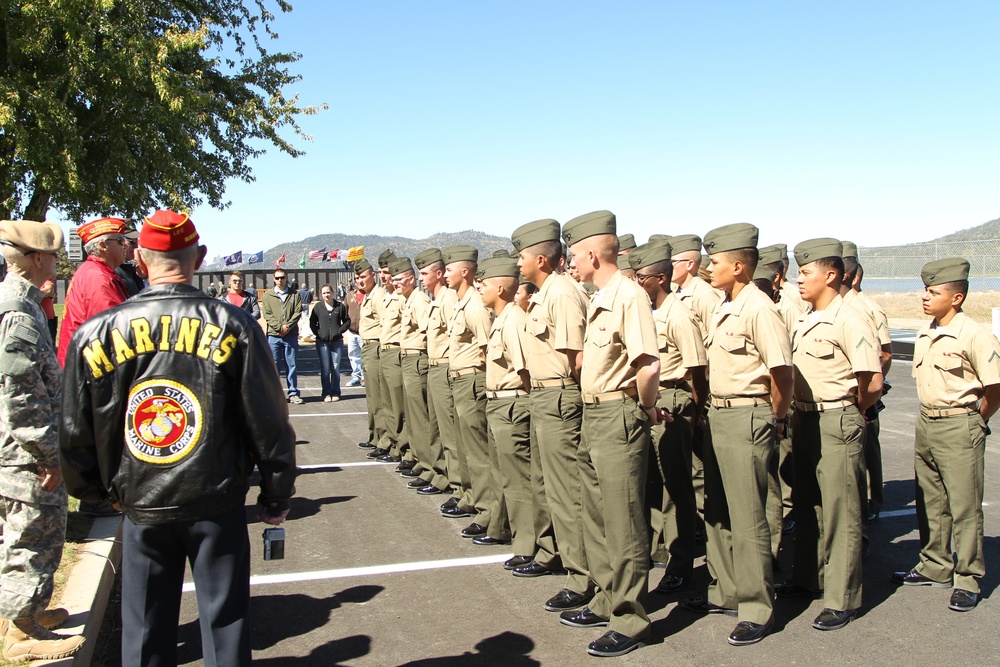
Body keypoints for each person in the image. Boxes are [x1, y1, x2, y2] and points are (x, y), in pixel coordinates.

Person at [59, 209, 296, 667]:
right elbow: (269, 422)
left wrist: (96, 492)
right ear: (200, 258)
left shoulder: (94, 334)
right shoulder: (235, 325)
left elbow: (74, 431)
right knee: (225, 627)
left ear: (141, 261)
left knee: (144, 632)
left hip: (141, 501)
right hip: (216, 499)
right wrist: (275, 492)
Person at [681, 223, 792, 647]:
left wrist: (775, 418)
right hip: (721, 415)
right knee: (719, 511)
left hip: (748, 415)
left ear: (740, 266)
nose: (710, 269)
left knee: (748, 518)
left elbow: (782, 371)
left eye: (716, 262)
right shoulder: (726, 306)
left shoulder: (758, 308)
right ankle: (725, 591)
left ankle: (756, 606)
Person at [560, 211, 662, 658]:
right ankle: (606, 599)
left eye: (574, 254)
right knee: (597, 517)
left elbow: (648, 364)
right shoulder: (601, 296)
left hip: (619, 414)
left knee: (623, 522)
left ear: (594, 253)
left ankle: (631, 618)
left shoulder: (628, 296)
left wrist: (642, 407)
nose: (570, 262)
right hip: (594, 415)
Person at [776, 239, 882, 632]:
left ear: (831, 275)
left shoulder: (850, 318)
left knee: (841, 512)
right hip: (804, 419)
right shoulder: (806, 316)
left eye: (805, 272)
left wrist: (853, 411)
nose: (798, 279)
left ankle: (842, 597)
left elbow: (871, 380)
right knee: (807, 505)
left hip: (836, 418)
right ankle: (807, 578)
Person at [891, 258, 1000, 613]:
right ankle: (935, 565)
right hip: (927, 422)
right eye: (925, 290)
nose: (925, 296)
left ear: (956, 298)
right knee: (930, 500)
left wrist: (974, 421)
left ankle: (968, 577)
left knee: (964, 505)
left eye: (933, 291)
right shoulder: (928, 330)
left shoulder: (975, 335)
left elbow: (994, 388)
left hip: (959, 423)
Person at [0, 220, 84, 663]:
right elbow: (20, 394)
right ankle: (18, 635)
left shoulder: (26, 304)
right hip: (25, 458)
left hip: (21, 452)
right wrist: (46, 455)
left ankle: (25, 613)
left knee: (24, 535)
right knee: (32, 535)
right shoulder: (17, 311)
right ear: (35, 259)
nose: (55, 261)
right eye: (51, 256)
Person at [510, 219, 587, 607]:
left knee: (567, 492)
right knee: (546, 486)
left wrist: (568, 396)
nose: (518, 263)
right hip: (542, 397)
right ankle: (556, 554)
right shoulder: (544, 293)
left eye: (522, 256)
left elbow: (577, 357)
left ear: (541, 258)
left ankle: (581, 577)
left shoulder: (562, 293)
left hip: (559, 397)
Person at [629, 241, 708, 596]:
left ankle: (681, 564)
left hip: (675, 397)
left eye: (640, 276)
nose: (636, 282)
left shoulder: (678, 314)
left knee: (677, 488)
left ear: (660, 278)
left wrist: (698, 411)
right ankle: (656, 551)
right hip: (650, 397)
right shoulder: (646, 312)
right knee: (651, 484)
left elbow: (697, 369)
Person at [442, 246, 501, 542]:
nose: (445, 274)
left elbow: (488, 349)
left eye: (450, 269)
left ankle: (489, 513)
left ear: (465, 272)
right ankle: (476, 501)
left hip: (473, 381)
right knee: (466, 450)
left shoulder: (476, 306)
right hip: (460, 380)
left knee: (479, 454)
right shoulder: (462, 302)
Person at [478, 256, 530, 550]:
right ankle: (503, 529)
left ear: (499, 288)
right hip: (498, 403)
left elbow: (525, 372)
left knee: (518, 481)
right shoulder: (503, 319)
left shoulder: (514, 322)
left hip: (512, 404)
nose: (479, 289)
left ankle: (527, 545)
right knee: (503, 477)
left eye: (483, 285)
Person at [56, 217, 131, 366]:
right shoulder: (97, 277)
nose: (126, 245)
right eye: (121, 240)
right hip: (88, 369)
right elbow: (112, 331)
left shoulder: (95, 271)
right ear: (103, 245)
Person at [354, 259, 388, 453]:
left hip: (376, 347)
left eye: (363, 276)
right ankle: (375, 435)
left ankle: (383, 440)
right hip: (367, 347)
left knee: (378, 397)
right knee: (371, 396)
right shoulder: (368, 296)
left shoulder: (378, 296)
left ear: (372, 275)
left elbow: (386, 325)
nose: (360, 281)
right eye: (357, 278)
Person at [260, 269, 303, 403]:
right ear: (274, 279)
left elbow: (298, 312)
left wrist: (287, 326)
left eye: (282, 277)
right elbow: (267, 314)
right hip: (274, 336)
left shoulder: (294, 294)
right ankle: (274, 395)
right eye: (277, 278)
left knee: (292, 365)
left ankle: (293, 393)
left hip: (290, 335)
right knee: (274, 366)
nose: (280, 280)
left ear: (286, 278)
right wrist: (279, 327)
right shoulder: (268, 296)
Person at [309, 283, 350, 402]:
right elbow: (312, 323)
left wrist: (339, 331)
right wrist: (319, 334)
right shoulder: (318, 307)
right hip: (322, 343)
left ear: (332, 292)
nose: (326, 295)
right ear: (321, 295)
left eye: (328, 292)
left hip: (337, 342)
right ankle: (326, 393)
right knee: (325, 368)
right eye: (324, 293)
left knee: (336, 367)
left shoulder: (339, 306)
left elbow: (347, 321)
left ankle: (336, 392)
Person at [343, 281, 364, 387]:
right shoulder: (350, 295)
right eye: (357, 280)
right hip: (352, 332)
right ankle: (356, 377)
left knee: (365, 356)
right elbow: (343, 310)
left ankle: (365, 378)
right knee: (353, 356)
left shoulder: (369, 295)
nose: (360, 282)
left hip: (364, 333)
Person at [115, 224, 146, 297]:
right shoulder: (112, 272)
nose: (136, 246)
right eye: (131, 241)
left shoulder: (133, 269)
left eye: (137, 241)